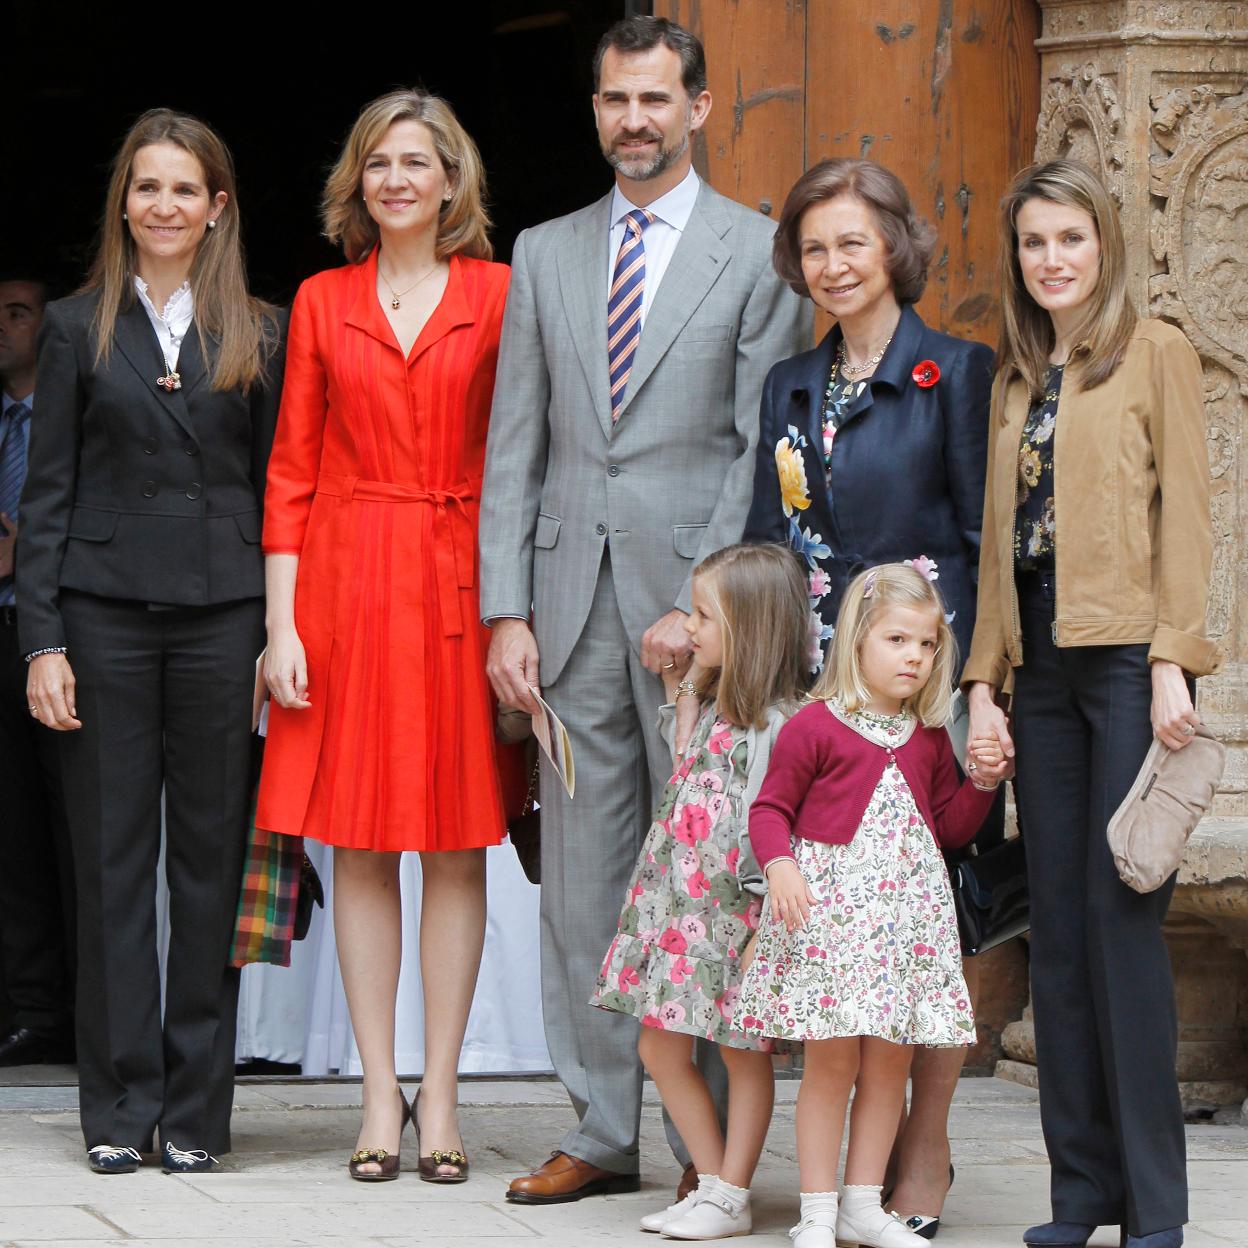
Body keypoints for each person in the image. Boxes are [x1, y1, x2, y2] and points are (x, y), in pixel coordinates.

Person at [479, 14, 809, 1205]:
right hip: (563, 614)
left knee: (709, 881)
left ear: (700, 107)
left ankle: (705, 1150)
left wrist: (698, 605)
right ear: (598, 110)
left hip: (698, 632)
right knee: (580, 884)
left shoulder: (757, 249)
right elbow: (516, 444)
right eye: (616, 101)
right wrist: (504, 610)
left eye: (656, 101)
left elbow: (749, 443)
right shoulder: (545, 250)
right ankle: (598, 1127)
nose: (634, 121)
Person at [18, 109, 285, 1173]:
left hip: (225, 620)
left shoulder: (261, 328)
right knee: (111, 865)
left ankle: (196, 1114)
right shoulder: (76, 324)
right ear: (122, 203)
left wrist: (281, 632)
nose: (165, 206)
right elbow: (45, 502)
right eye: (147, 187)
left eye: (185, 189)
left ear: (217, 206)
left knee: (209, 868)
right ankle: (121, 1108)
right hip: (103, 618)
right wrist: (43, 641)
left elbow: (282, 494)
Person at [963, 159, 1220, 1248]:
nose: (1052, 259)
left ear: (1104, 245)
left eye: (1069, 238)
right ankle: (1083, 1199)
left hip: (1125, 670)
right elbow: (991, 553)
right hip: (1042, 677)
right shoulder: (1016, 375)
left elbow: (1191, 517)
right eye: (1034, 243)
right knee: (1058, 938)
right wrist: (982, 684)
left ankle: (1156, 1211)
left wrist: (1176, 659)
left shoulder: (1153, 349)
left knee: (1121, 931)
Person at [257, 89, 513, 1184]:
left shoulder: (504, 295)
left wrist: (518, 614)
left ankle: (442, 1099)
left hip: (462, 581)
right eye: (378, 163)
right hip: (347, 587)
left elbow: (525, 457)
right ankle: (376, 1098)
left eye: (418, 161)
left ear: (453, 182)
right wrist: (281, 627)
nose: (397, 179)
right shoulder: (320, 300)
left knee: (456, 847)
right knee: (359, 843)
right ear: (356, 183)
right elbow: (291, 471)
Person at [742, 156, 998, 1237]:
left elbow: (985, 543)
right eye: (814, 247)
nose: (834, 264)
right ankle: (826, 1182)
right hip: (822, 694)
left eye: (852, 241)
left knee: (929, 931)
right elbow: (769, 536)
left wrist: (979, 689)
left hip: (923, 682)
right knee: (838, 938)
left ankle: (922, 1154)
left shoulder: (958, 370)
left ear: (894, 244)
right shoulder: (790, 386)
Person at [736, 564, 1010, 1248]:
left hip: (903, 928)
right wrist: (780, 866)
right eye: (897, 639)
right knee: (831, 1066)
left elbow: (947, 828)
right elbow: (769, 809)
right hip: (832, 922)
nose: (915, 655)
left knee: (890, 1064)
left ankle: (863, 1205)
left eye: (926, 644)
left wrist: (979, 783)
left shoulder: (924, 737)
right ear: (857, 640)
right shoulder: (814, 727)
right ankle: (819, 1209)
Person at [591, 543, 809, 1239]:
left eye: (704, 616)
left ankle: (730, 1191)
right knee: (658, 1048)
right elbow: (681, 762)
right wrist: (686, 684)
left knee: (745, 1057)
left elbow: (780, 834)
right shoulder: (717, 709)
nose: (689, 628)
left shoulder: (778, 728)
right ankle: (716, 1184)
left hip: (733, 919)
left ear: (746, 630)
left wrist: (762, 935)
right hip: (679, 911)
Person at [0, 276, 76, 1068]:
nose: (2, 327)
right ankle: (31, 1007)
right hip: (3, 629)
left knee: (75, 826)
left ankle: (90, 1009)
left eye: (17, 313)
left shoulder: (70, 403)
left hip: (58, 634)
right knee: (13, 829)